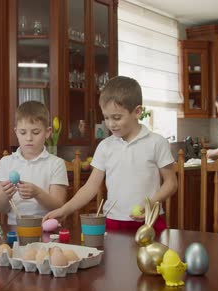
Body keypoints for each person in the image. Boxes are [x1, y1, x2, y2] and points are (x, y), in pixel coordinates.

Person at [43, 76, 177, 234]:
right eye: (106, 117)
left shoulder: (156, 142)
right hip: (113, 222)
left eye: (117, 118)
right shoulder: (105, 146)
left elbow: (171, 183)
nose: (110, 124)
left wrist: (150, 204)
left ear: (137, 112)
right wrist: (65, 210)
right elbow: (90, 187)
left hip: (150, 221)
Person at [0, 101, 69, 225]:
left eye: (35, 132)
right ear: (16, 132)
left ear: (48, 132)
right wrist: (6, 195)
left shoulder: (56, 164)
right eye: (23, 132)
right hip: (15, 227)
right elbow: (0, 208)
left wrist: (37, 193)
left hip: (46, 227)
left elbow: (58, 206)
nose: (29, 138)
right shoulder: (5, 163)